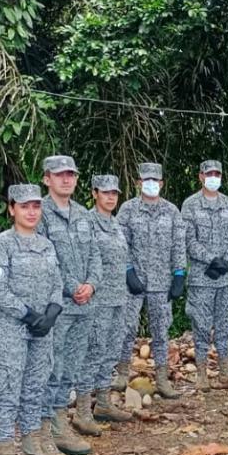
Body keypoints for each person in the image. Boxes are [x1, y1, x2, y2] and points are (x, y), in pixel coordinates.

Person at [0, 184, 65, 455]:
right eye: (24, 206)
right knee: (8, 394)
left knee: (35, 388)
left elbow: (57, 282)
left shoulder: (46, 245)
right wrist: (29, 315)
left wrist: (52, 313)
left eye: (36, 206)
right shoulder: (1, 244)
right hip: (11, 331)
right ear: (12, 209)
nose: (31, 212)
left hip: (42, 329)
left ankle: (31, 450)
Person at [37, 155, 101, 455]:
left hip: (84, 305)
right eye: (60, 175)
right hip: (58, 307)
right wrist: (71, 287)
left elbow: (96, 256)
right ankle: (49, 428)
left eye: (71, 175)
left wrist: (91, 284)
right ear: (47, 179)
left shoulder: (83, 215)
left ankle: (60, 423)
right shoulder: (41, 214)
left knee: (71, 368)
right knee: (53, 367)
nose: (67, 179)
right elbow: (44, 259)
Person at [116, 162, 187, 400]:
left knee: (161, 331)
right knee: (126, 328)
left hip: (161, 282)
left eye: (155, 180)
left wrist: (179, 274)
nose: (151, 184)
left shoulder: (171, 211)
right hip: (133, 281)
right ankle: (121, 374)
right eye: (146, 180)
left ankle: (162, 379)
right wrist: (127, 271)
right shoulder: (127, 210)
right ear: (138, 183)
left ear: (162, 183)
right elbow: (120, 244)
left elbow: (178, 245)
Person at [182, 160, 228, 392]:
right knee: (200, 324)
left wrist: (227, 258)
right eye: (209, 173)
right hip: (201, 278)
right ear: (200, 176)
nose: (214, 177)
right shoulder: (190, 205)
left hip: (227, 276)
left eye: (217, 173)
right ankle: (201, 373)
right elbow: (188, 240)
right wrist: (211, 259)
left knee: (226, 324)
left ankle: (225, 371)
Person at [85, 175, 134, 425]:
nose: (111, 197)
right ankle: (83, 409)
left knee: (111, 350)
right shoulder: (87, 223)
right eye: (105, 193)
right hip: (97, 299)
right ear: (95, 194)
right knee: (94, 351)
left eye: (114, 192)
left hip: (118, 297)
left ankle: (103, 403)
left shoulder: (115, 224)